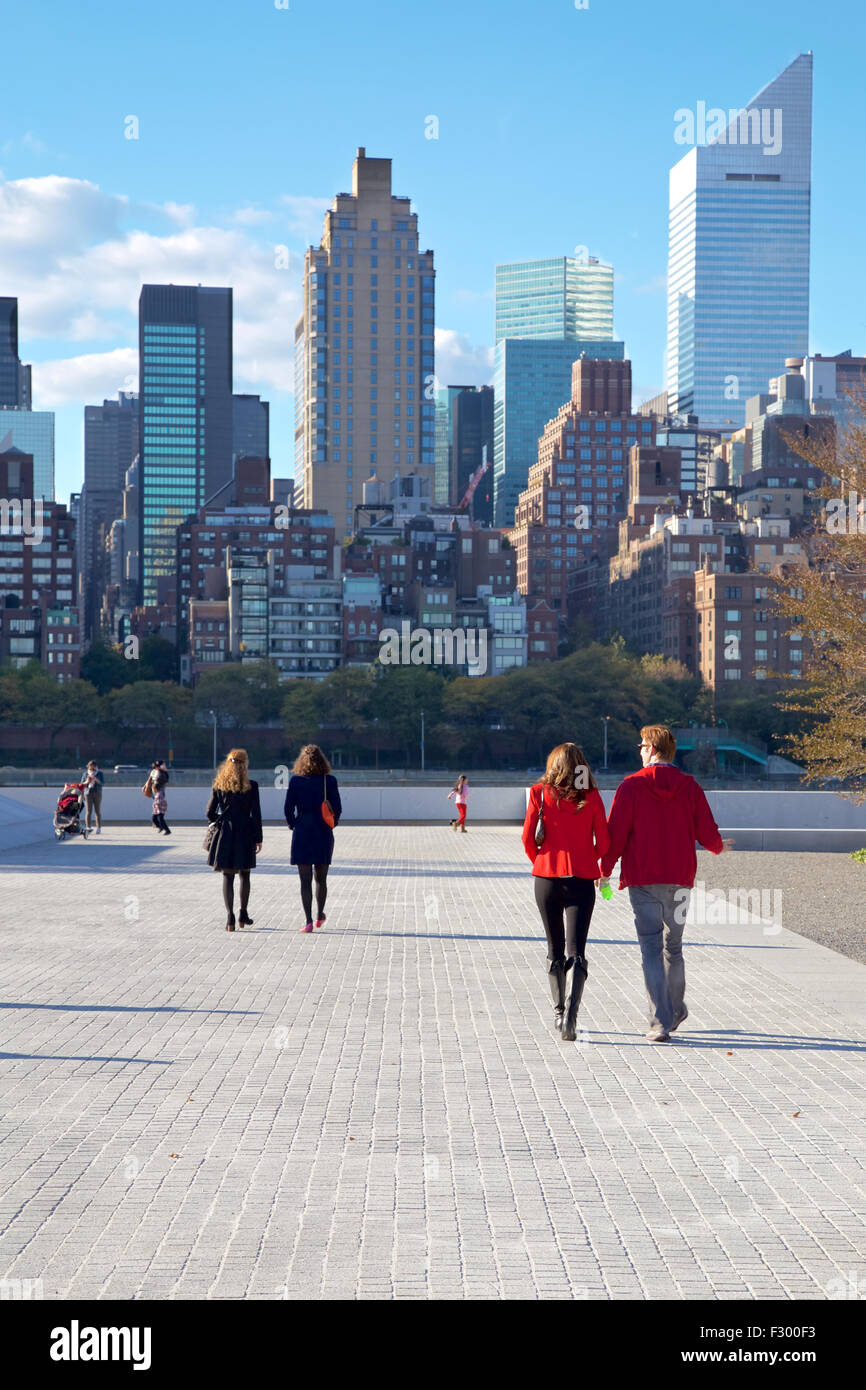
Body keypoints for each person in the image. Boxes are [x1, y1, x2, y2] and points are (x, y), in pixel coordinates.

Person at [600, 724, 734, 1043]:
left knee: (651, 949)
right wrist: (718, 846)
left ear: (651, 749)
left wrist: (604, 870)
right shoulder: (689, 786)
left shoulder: (631, 786)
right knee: (673, 947)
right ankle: (674, 1010)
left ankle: (661, 1022)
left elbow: (616, 835)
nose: (640, 751)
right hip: (680, 878)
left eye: (641, 746)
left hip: (643, 879)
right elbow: (707, 831)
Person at [522, 743, 611, 1040]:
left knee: (554, 948)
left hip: (546, 879)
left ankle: (559, 1013)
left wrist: (541, 861)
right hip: (582, 880)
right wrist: (587, 859)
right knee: (578, 951)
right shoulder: (591, 795)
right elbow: (605, 842)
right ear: (581, 766)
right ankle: (572, 1016)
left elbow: (527, 838)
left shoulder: (538, 793)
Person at [284, 744, 342, 933]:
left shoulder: (295, 781)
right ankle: (319, 915)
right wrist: (332, 824)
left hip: (302, 831)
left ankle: (308, 921)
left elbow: (288, 808)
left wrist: (294, 824)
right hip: (322, 831)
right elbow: (338, 808)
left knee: (305, 880)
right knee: (321, 879)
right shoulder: (329, 781)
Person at [206, 749, 263, 932]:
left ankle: (230, 918)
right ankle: (243, 914)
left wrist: (220, 821)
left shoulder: (219, 785)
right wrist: (258, 838)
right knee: (245, 874)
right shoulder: (252, 786)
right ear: (245, 764)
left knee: (228, 875)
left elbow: (209, 812)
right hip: (245, 833)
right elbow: (256, 814)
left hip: (226, 834)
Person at [147, 760, 171, 835]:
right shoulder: (156, 772)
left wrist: (154, 785)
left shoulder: (162, 773)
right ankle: (161, 827)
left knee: (160, 816)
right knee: (155, 818)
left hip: (159, 795)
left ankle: (166, 829)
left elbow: (161, 781)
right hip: (157, 795)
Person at [81, 761, 104, 834]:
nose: (92, 768)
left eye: (94, 766)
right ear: (88, 766)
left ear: (96, 766)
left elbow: (102, 783)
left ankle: (99, 827)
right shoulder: (85, 774)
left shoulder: (100, 773)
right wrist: (87, 781)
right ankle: (88, 827)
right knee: (88, 811)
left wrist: (96, 780)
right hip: (88, 793)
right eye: (90, 766)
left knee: (97, 811)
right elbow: (82, 784)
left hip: (97, 793)